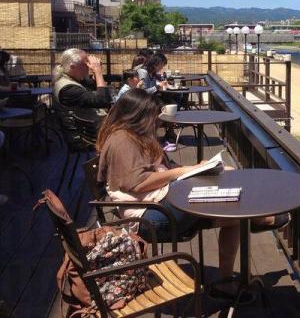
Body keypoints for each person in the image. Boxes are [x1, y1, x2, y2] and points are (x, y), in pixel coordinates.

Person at [96, 89, 285, 297]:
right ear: (136, 115)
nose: (156, 121)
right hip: (150, 217)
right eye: (152, 116)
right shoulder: (122, 140)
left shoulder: (133, 135)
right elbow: (138, 184)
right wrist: (184, 171)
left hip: (160, 202)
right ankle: (261, 218)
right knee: (223, 194)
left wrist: (198, 167)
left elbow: (160, 171)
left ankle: (225, 280)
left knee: (233, 215)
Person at [52, 48, 112, 139]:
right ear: (72, 67)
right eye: (85, 64)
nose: (89, 66)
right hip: (84, 137)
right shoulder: (68, 90)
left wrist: (96, 72)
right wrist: (98, 71)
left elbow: (93, 85)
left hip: (90, 129)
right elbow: (103, 101)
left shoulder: (69, 77)